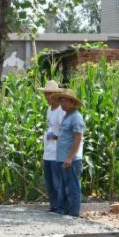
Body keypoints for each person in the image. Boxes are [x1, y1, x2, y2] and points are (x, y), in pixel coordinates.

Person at [38, 80, 66, 214]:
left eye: (49, 95)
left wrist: (51, 137)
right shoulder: (49, 110)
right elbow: (51, 129)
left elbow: (64, 135)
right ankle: (54, 206)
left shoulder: (61, 111)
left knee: (58, 183)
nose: (47, 98)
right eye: (45, 95)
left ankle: (61, 208)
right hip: (48, 152)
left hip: (57, 153)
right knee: (49, 183)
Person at [57, 88, 85, 218]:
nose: (62, 102)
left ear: (72, 102)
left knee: (73, 187)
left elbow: (78, 138)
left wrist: (69, 157)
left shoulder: (76, 117)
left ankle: (74, 213)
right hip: (64, 159)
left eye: (64, 100)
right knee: (66, 186)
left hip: (71, 160)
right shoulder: (67, 116)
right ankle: (67, 211)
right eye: (61, 99)